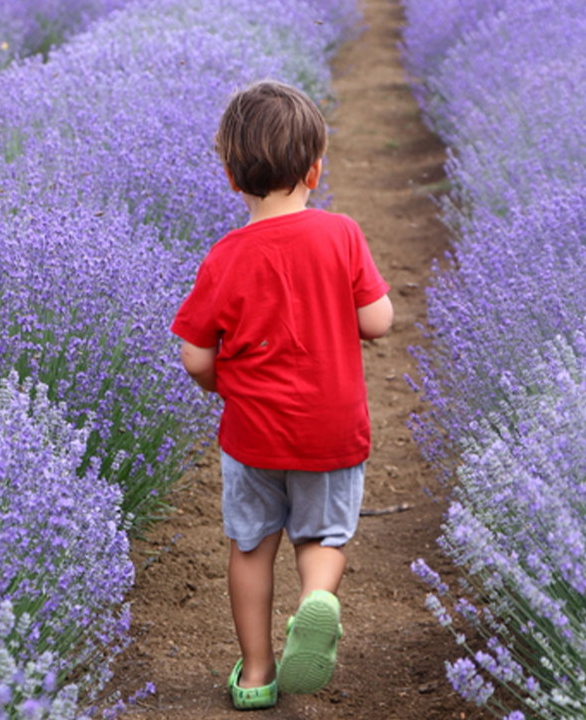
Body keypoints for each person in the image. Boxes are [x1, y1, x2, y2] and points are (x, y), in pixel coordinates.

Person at [171, 79, 393, 710]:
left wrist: (222, 385)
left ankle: (257, 673)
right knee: (321, 536)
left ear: (230, 177)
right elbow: (377, 320)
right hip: (331, 429)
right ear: (316, 170)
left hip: (253, 435)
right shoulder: (341, 235)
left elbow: (195, 355)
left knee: (251, 543)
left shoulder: (225, 257)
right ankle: (317, 600)